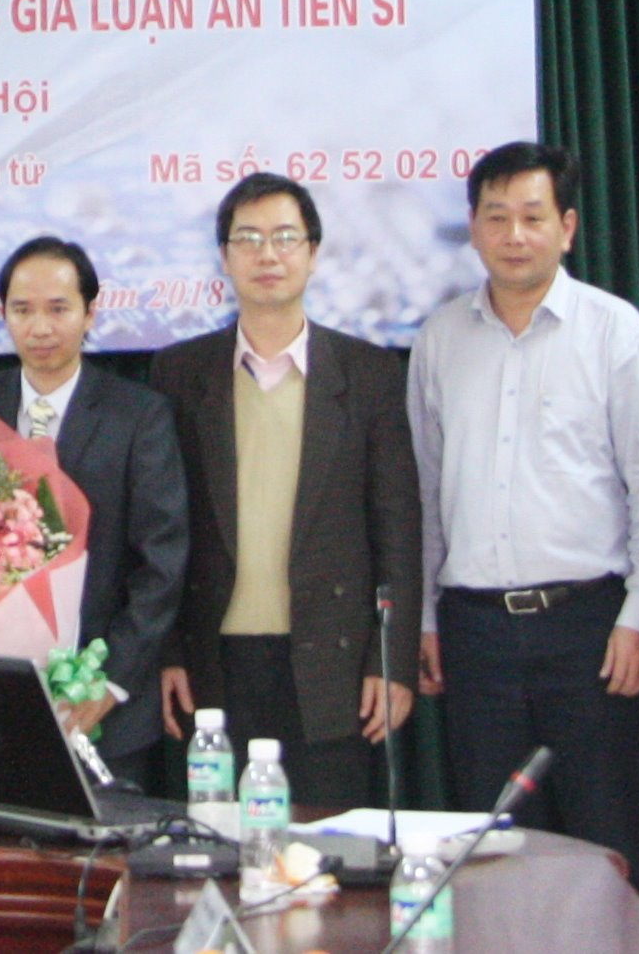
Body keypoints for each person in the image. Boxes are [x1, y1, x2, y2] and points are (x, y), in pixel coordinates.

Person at [407, 142, 639, 875]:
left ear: (567, 227)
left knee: (604, 842)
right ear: (474, 229)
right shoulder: (440, 339)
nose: (514, 235)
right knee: (490, 851)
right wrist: (426, 617)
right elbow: (425, 488)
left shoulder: (615, 331)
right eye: (496, 217)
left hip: (590, 630)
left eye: (532, 216)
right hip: (474, 635)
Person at [151, 172, 422, 808]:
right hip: (214, 662)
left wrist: (391, 661)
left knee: (329, 844)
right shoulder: (180, 373)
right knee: (218, 843)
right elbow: (160, 531)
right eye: (247, 239)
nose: (266, 255)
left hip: (332, 661)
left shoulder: (368, 373)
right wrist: (166, 653)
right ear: (224, 257)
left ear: (313, 252)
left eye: (284, 237)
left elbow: (397, 527)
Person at [0, 236, 188, 789]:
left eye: (58, 309)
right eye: (22, 310)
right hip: (0, 697)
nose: (40, 327)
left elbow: (162, 561)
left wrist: (109, 681)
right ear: (3, 315)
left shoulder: (139, 414)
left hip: (104, 705)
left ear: (90, 312)